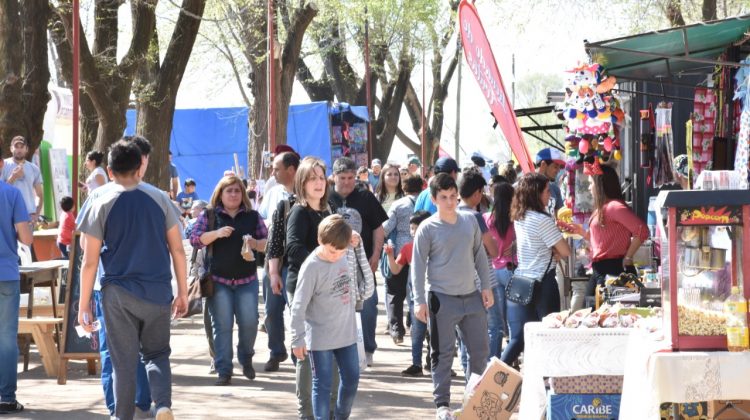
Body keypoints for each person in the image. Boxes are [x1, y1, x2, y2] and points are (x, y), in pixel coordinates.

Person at [77, 140, 187, 420]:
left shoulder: (100, 200)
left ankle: (122, 416)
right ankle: (162, 405)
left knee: (123, 363)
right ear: (140, 167)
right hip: (157, 290)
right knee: (158, 354)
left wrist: (84, 303)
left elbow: (89, 261)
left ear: (110, 171)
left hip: (117, 293)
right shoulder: (160, 198)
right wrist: (183, 292)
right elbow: (177, 249)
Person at [411, 173, 494, 419]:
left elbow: (480, 254)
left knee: (480, 352)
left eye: (452, 196)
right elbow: (417, 266)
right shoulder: (427, 228)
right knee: (443, 353)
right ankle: (442, 405)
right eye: (443, 197)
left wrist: (486, 286)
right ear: (434, 199)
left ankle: (475, 400)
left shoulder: (469, 221)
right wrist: (419, 300)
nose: (449, 202)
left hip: (472, 296)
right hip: (441, 298)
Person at [190, 175, 268, 386]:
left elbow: (266, 243)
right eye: (229, 191)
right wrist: (216, 233)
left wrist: (254, 243)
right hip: (219, 280)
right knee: (222, 326)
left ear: (242, 194)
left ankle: (246, 357)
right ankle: (224, 369)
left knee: (249, 322)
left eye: (237, 191)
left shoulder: (252, 216)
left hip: (247, 280)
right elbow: (195, 239)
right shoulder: (209, 215)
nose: (233, 194)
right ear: (220, 194)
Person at [291, 215, 367, 420]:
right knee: (322, 383)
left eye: (341, 251)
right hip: (320, 337)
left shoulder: (344, 251)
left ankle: (341, 416)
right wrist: (297, 338)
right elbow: (298, 305)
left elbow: (354, 244)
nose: (337, 256)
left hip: (346, 333)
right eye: (332, 251)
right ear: (320, 241)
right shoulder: (312, 267)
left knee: (352, 377)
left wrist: (354, 243)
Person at [285, 157, 339, 420]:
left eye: (321, 177)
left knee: (333, 349)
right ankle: (306, 413)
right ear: (302, 182)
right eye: (312, 178)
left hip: (331, 290)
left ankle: (328, 410)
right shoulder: (298, 211)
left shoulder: (330, 210)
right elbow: (293, 249)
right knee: (306, 352)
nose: (318, 183)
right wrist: (320, 264)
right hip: (304, 288)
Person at [501, 173, 570, 367]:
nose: (550, 195)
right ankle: (546, 381)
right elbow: (565, 250)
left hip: (522, 281)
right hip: (543, 283)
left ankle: (490, 381)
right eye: (547, 191)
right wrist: (555, 252)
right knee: (548, 337)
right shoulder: (542, 220)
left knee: (518, 340)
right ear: (536, 193)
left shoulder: (520, 217)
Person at [330, 157, 388, 368]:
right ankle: (339, 350)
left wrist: (375, 255)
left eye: (351, 178)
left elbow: (378, 228)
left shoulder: (365, 197)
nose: (347, 182)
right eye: (342, 177)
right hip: (332, 264)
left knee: (369, 305)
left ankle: (367, 348)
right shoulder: (326, 198)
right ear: (334, 176)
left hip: (362, 262)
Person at [564, 164, 648, 299]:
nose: (589, 187)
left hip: (614, 268)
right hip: (601, 268)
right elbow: (602, 241)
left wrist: (628, 257)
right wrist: (583, 233)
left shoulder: (614, 207)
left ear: (600, 185)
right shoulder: (602, 208)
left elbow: (642, 230)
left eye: (591, 183)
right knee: (594, 310)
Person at [259, 151, 300, 372]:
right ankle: (276, 351)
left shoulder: (307, 193)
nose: (273, 172)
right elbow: (263, 221)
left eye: (276, 168)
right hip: (272, 260)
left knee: (296, 311)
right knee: (272, 311)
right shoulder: (272, 192)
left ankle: (298, 354)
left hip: (295, 264)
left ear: (291, 170)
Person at [0, 157, 32, 415]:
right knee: (6, 339)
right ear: (2, 164)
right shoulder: (12, 194)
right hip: (6, 273)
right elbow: (26, 238)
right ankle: (7, 397)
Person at [384, 210, 431, 377]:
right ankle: (416, 363)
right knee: (417, 332)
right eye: (412, 228)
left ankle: (433, 361)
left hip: (434, 295)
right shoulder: (408, 248)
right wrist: (390, 255)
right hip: (415, 297)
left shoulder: (436, 245)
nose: (414, 232)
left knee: (435, 332)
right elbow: (396, 269)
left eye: (417, 227)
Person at [381, 174, 421, 343]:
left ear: (404, 189)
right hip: (421, 252)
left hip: (400, 252)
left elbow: (386, 227)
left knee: (395, 293)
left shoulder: (398, 205)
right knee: (417, 292)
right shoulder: (427, 202)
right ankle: (415, 324)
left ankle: (396, 329)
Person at [483, 182, 516, 359]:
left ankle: (493, 360)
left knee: (495, 323)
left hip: (491, 271)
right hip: (510, 270)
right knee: (512, 319)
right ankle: (511, 356)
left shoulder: (486, 218)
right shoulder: (516, 218)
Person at [1, 136, 43, 223]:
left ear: (26, 149)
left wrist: (36, 214)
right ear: (11, 148)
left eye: (22, 147)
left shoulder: (34, 168)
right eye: (16, 147)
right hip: (8, 215)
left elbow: (39, 194)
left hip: (28, 216)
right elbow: (1, 191)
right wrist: (13, 177)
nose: (19, 150)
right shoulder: (3, 165)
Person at [534, 148, 565, 216]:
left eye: (560, 167)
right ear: (543, 165)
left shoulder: (555, 189)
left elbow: (559, 217)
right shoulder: (524, 187)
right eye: (556, 167)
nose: (558, 170)